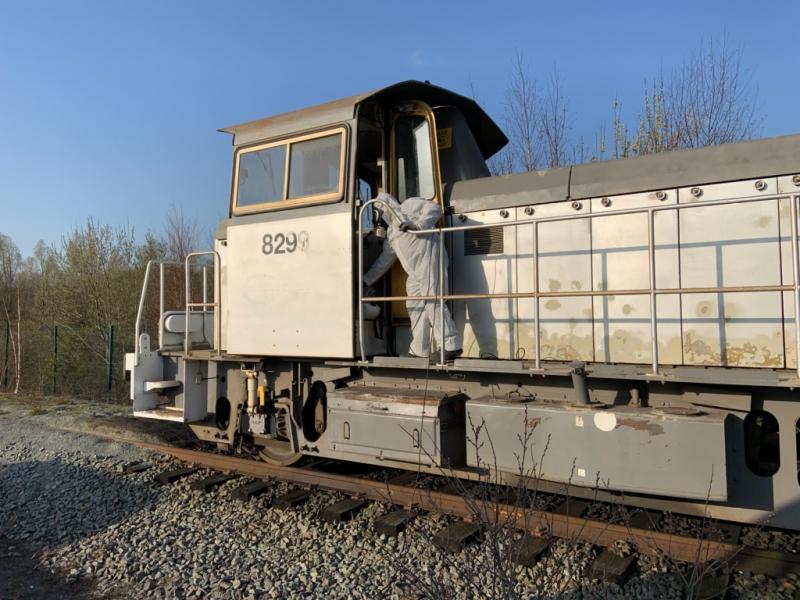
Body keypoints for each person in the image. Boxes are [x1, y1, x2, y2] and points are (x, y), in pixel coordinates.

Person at [363, 192, 462, 360]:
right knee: (414, 304)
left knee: (433, 300)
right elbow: (384, 261)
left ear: (386, 207)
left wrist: (418, 225)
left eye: (379, 211)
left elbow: (434, 208)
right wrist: (366, 280)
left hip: (430, 259)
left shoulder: (409, 206)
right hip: (415, 272)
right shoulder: (392, 235)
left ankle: (450, 344)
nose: (379, 218)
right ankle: (419, 350)